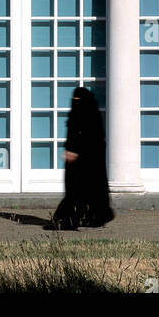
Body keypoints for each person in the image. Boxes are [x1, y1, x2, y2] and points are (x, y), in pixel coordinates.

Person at [49, 86, 114, 229]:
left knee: (78, 191)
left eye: (78, 100)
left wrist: (72, 150)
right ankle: (84, 218)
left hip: (83, 160)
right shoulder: (90, 112)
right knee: (84, 191)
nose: (75, 102)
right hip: (87, 159)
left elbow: (79, 133)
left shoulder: (84, 114)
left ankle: (73, 219)